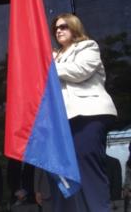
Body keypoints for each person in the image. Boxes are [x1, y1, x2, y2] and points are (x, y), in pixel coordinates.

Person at [50, 13, 117, 212]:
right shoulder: (54, 56)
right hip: (63, 121)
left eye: (63, 26)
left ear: (74, 27)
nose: (58, 30)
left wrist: (49, 64)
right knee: (67, 177)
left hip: (88, 115)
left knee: (88, 168)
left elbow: (79, 71)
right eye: (56, 28)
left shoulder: (88, 47)